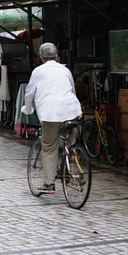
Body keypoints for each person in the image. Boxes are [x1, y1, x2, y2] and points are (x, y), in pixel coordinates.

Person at [21, 43, 82, 194]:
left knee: (49, 147)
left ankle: (49, 184)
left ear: (41, 58)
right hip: (71, 110)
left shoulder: (37, 72)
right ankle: (72, 159)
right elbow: (72, 91)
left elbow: (29, 94)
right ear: (57, 55)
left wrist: (28, 109)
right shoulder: (65, 70)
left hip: (51, 113)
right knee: (71, 142)